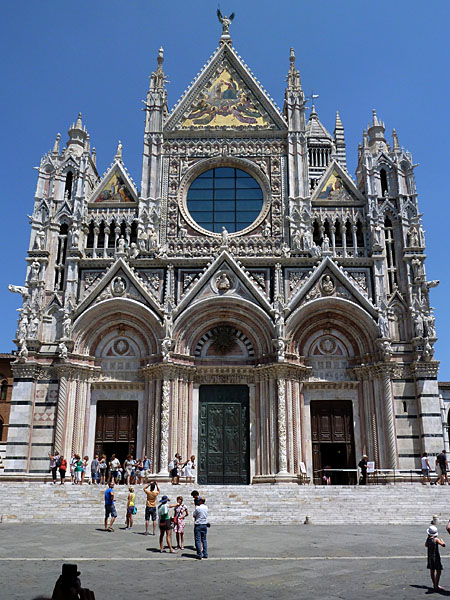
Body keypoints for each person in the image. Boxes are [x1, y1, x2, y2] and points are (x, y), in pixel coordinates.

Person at [425, 525, 445, 591]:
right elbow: (443, 545)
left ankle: (434, 584)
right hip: (436, 557)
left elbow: (426, 545)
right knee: (438, 571)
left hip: (430, 557)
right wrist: (442, 540)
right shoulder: (436, 539)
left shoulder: (428, 539)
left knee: (432, 571)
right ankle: (436, 586)